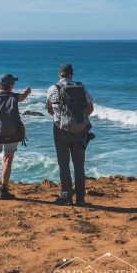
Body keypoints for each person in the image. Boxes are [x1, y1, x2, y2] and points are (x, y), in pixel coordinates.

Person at [46, 64, 95, 206]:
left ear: (59, 74)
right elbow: (90, 108)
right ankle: (81, 199)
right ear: (71, 74)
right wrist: (79, 121)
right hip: (80, 131)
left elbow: (49, 109)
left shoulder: (52, 88)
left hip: (60, 129)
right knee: (79, 165)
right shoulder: (81, 87)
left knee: (64, 165)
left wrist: (61, 119)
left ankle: (66, 197)